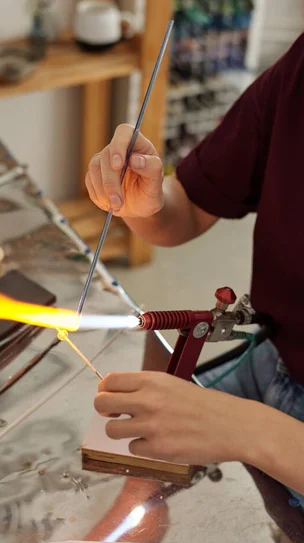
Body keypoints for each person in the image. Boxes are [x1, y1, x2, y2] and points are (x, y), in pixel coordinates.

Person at [85, 33, 304, 504]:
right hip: (274, 362)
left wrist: (249, 430)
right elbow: (184, 212)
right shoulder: (298, 70)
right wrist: (146, 201)